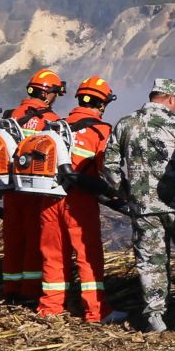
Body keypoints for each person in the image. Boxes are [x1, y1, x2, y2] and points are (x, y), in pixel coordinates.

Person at [102, 79, 175, 332]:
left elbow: (109, 165)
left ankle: (155, 316)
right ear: (171, 98)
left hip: (144, 207)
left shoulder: (126, 123)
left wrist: (125, 192)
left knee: (150, 261)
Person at [47, 76, 116, 322]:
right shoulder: (101, 130)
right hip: (80, 200)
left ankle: (50, 308)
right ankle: (95, 312)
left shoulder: (55, 126)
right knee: (88, 255)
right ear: (102, 104)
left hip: (49, 198)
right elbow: (107, 170)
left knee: (53, 254)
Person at [1, 69, 66, 305]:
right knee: (34, 240)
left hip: (10, 188)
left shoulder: (9, 115)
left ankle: (10, 288)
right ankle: (29, 291)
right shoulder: (51, 120)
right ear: (47, 94)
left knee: (13, 239)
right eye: (55, 93)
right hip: (34, 188)